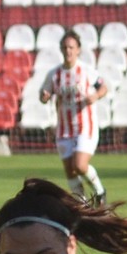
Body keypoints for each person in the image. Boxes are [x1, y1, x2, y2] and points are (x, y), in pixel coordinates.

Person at [39, 31, 110, 206]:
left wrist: (95, 96)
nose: (68, 51)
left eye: (71, 47)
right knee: (70, 170)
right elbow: (43, 94)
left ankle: (100, 192)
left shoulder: (86, 71)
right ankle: (82, 204)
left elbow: (103, 88)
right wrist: (45, 96)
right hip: (64, 129)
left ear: (78, 50)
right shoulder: (54, 74)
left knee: (79, 165)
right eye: (65, 47)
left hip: (85, 126)